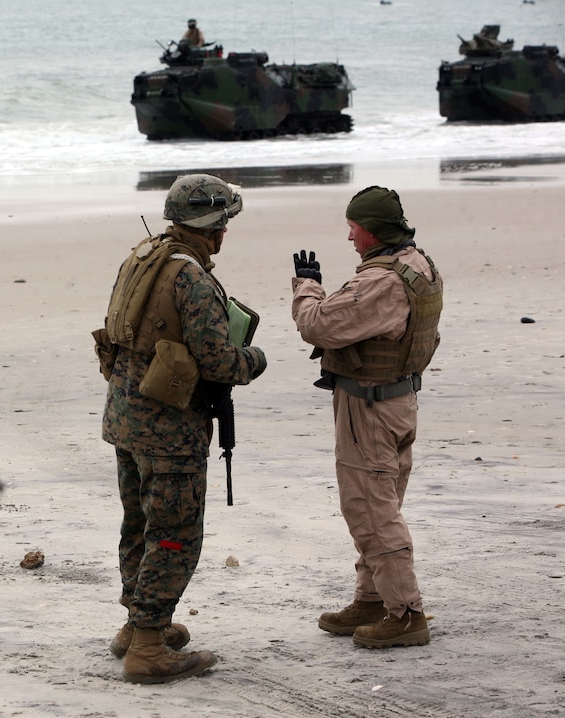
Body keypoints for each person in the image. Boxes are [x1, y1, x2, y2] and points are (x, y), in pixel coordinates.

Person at [95, 174, 267, 683]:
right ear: (214, 228)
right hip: (170, 431)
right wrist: (254, 359)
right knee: (174, 534)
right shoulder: (191, 277)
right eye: (224, 223)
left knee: (139, 524)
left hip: (126, 417)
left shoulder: (142, 257)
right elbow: (217, 360)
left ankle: (139, 623)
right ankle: (148, 647)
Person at [290, 186, 443, 649]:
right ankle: (372, 599)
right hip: (396, 401)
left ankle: (406, 613)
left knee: (371, 510)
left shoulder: (382, 281)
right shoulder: (419, 264)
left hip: (370, 409)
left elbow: (316, 325)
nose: (350, 237)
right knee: (380, 503)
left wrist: (306, 286)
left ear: (372, 230)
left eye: (354, 228)